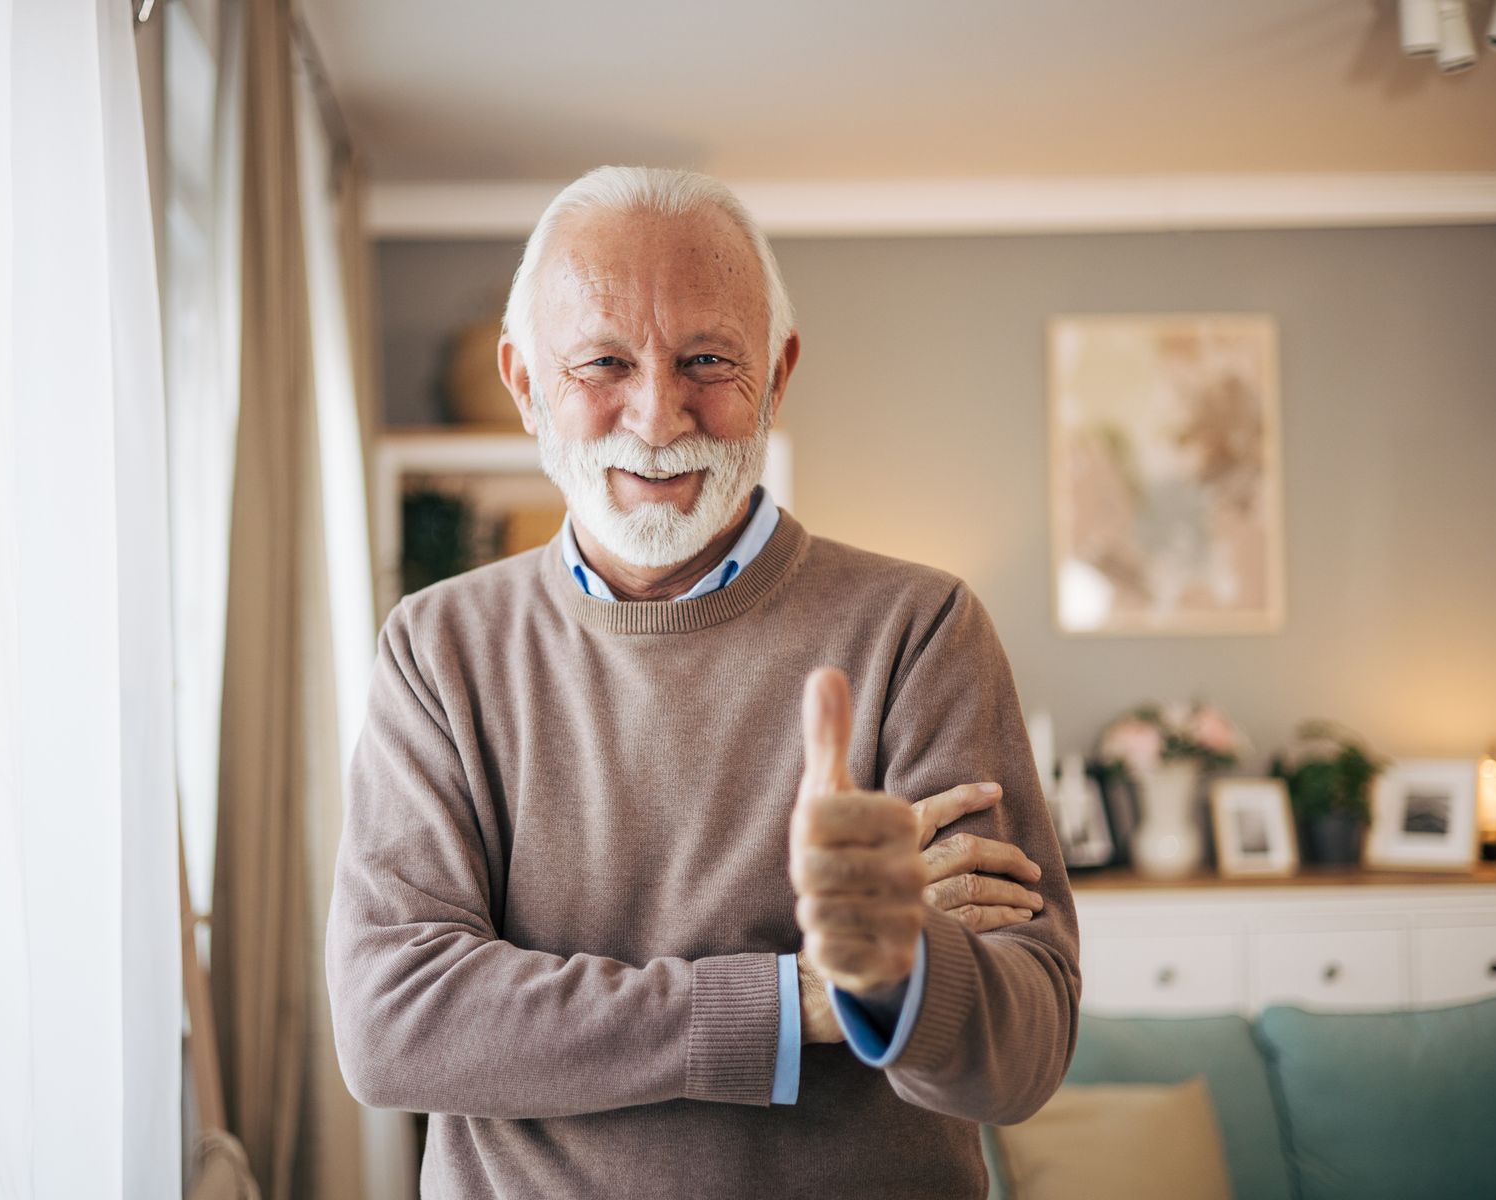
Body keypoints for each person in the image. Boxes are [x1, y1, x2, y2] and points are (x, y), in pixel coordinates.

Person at [328, 166, 1079, 1199]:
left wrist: (898, 973)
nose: (658, 413)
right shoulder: (436, 647)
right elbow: (394, 1023)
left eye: (708, 359)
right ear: (523, 381)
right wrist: (791, 1004)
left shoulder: (920, 631)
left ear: (777, 374)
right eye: (603, 361)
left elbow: (1026, 1055)